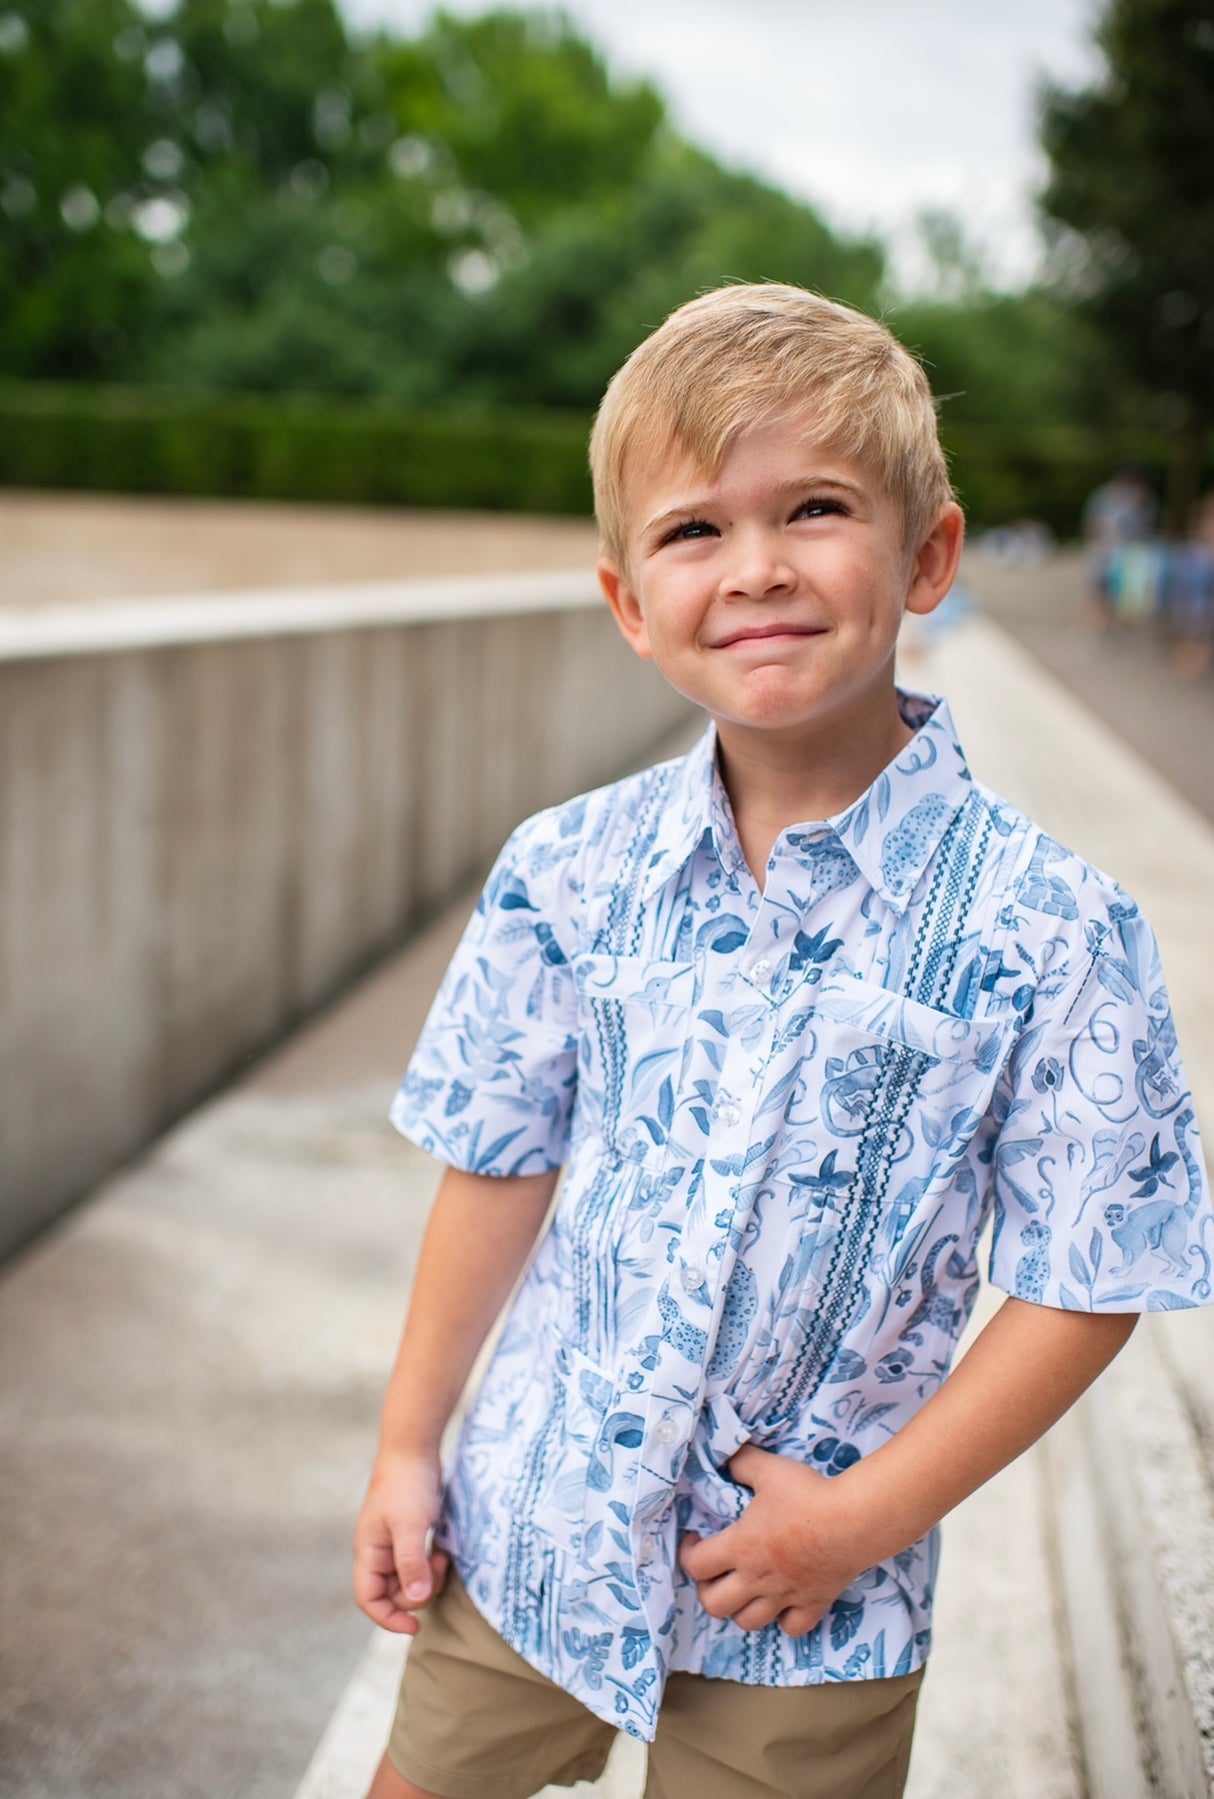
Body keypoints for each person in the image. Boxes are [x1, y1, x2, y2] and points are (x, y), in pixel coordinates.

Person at [353, 285, 1212, 1799]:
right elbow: (498, 1162)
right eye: (692, 531)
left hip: (814, 1592)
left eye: (812, 509)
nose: (753, 569)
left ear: (925, 553)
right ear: (630, 603)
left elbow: (1087, 1281)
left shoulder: (1056, 931)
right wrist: (409, 1443)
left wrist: (862, 1520)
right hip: (535, 1521)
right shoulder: (566, 870)